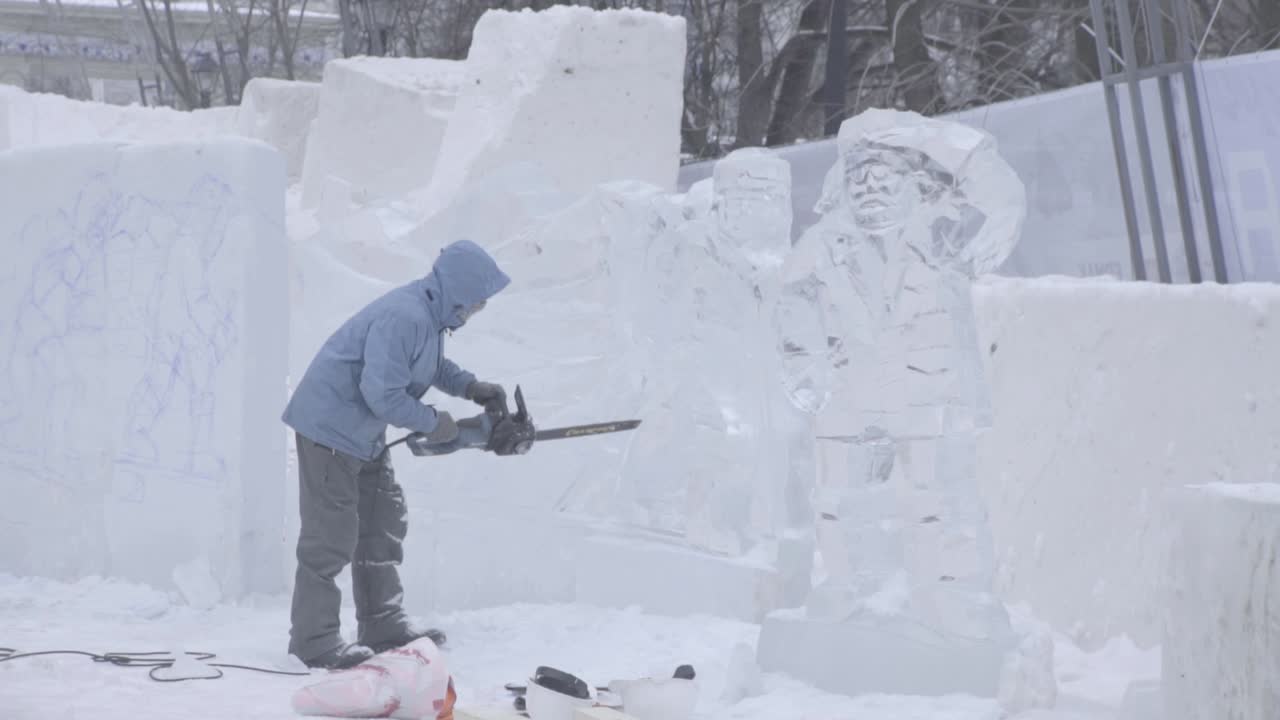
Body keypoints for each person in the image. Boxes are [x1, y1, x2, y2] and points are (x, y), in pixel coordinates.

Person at [282, 238, 512, 669]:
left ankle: (382, 624)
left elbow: (428, 366)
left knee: (381, 522)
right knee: (329, 536)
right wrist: (434, 422)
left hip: (363, 433)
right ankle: (313, 641)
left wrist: (470, 386)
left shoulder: (429, 316)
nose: (479, 309)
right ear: (460, 290)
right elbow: (382, 393)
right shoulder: (405, 316)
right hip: (330, 430)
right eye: (478, 300)